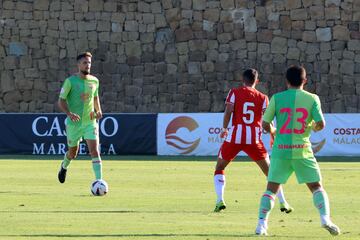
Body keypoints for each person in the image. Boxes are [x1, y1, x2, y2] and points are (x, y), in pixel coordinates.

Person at [255, 65, 340, 236]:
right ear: (305, 81)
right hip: (302, 150)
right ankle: (325, 219)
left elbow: (265, 124)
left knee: (271, 189)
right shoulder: (312, 98)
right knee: (316, 187)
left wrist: (274, 131)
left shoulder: (277, 98)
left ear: (286, 81)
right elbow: (321, 124)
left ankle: (261, 225)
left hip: (281, 151)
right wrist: (312, 128)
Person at [214, 69, 293, 214]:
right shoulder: (263, 98)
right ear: (257, 81)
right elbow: (267, 120)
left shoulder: (234, 92)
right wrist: (273, 134)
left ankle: (220, 201)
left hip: (235, 137)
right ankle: (283, 203)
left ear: (242, 80)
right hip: (254, 139)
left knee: (219, 167)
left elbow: (228, 111)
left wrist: (224, 128)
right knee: (271, 173)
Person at [57, 52, 103, 183]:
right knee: (73, 153)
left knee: (94, 151)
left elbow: (95, 97)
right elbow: (61, 101)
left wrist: (98, 110)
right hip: (74, 124)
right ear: (78, 65)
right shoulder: (70, 82)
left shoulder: (94, 81)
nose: (87, 65)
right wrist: (69, 114)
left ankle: (99, 181)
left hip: (90, 122)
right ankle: (64, 166)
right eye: (85, 63)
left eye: (89, 63)